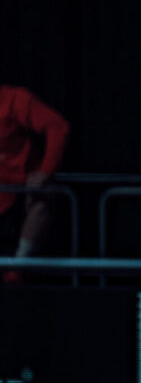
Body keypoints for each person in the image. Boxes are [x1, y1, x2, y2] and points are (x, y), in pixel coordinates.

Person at [0, 83, 70, 284]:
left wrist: (46, 170)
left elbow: (57, 126)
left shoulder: (14, 99)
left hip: (17, 192)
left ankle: (17, 269)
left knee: (42, 200)